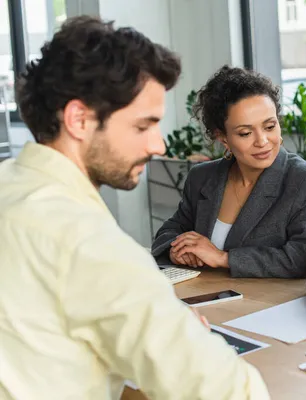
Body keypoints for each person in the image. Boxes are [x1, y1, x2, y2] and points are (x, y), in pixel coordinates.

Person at [0, 16, 269, 399]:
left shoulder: (9, 186)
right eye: (143, 126)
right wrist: (179, 334)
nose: (158, 146)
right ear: (79, 119)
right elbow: (226, 391)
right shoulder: (89, 244)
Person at [151, 66, 306, 278]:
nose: (262, 141)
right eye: (245, 133)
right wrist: (177, 251)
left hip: (269, 303)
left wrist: (222, 258)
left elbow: (305, 255)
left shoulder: (304, 180)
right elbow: (169, 232)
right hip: (209, 297)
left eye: (270, 126)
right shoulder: (202, 178)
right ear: (223, 138)